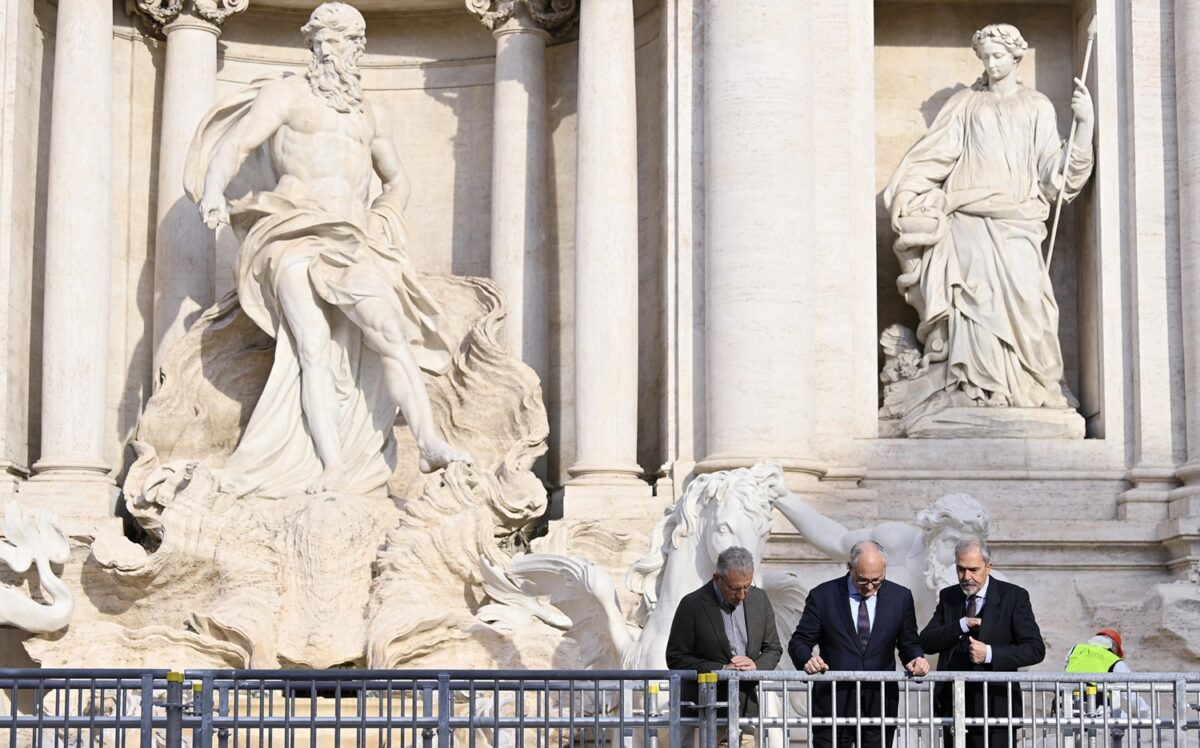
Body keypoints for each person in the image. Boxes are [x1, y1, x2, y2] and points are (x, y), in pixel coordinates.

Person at [185, 2, 470, 498]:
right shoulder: (287, 94)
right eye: (322, 40)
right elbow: (236, 146)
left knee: (391, 334)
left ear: (357, 48)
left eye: (341, 41)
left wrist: (384, 218)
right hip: (292, 230)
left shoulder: (371, 114)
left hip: (352, 237)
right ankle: (333, 463)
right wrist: (213, 191)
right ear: (310, 45)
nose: (330, 49)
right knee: (311, 347)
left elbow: (397, 180)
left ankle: (429, 443)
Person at [883, 23, 1095, 415]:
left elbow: (1056, 176)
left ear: (1017, 57)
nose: (992, 63)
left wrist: (1084, 126)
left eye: (999, 56)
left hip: (1017, 222)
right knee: (971, 302)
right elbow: (936, 155)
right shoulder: (966, 104)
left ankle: (1029, 385)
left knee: (1031, 304)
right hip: (966, 219)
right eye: (986, 57)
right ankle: (974, 389)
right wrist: (909, 192)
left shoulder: (1037, 106)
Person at [788, 541, 930, 748]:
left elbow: (909, 644)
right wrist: (807, 660)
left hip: (879, 705)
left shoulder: (900, 597)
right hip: (833, 704)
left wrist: (917, 659)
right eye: (863, 581)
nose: (871, 587)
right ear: (850, 568)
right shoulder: (823, 596)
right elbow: (799, 641)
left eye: (877, 581)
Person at [774, 491, 990, 624]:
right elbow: (836, 541)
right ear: (931, 537)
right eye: (951, 542)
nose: (961, 556)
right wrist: (782, 497)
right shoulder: (895, 544)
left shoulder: (992, 587)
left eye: (969, 546)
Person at [920, 539, 1045, 748]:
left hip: (996, 710)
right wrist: (962, 625)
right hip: (953, 708)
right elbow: (927, 641)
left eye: (973, 570)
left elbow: (1035, 649)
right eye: (961, 569)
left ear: (989, 567)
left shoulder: (1013, 597)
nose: (966, 577)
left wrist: (989, 654)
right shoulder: (949, 596)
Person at [666, 545, 783, 746]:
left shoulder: (759, 599)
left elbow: (773, 648)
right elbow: (676, 657)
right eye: (735, 588)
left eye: (747, 586)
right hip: (704, 713)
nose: (742, 595)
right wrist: (721, 670)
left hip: (746, 712)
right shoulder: (692, 605)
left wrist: (756, 665)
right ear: (716, 578)